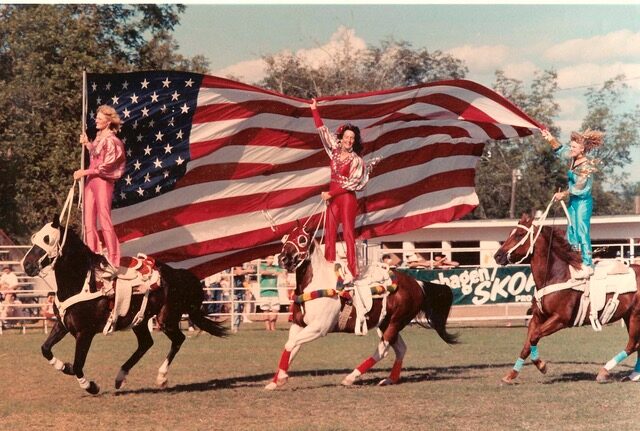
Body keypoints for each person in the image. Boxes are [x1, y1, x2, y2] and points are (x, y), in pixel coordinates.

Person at [310, 99, 379, 280]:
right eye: (346, 137)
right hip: (333, 197)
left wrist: (330, 193)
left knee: (348, 232)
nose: (349, 140)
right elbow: (322, 131)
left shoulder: (356, 160)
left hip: (346, 198)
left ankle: (353, 269)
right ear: (341, 139)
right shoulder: (333, 151)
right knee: (329, 230)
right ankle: (329, 265)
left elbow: (352, 184)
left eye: (352, 138)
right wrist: (314, 110)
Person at [542, 128, 604, 278]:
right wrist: (550, 138)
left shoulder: (586, 165)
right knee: (571, 231)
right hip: (573, 201)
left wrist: (563, 193)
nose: (571, 149)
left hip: (582, 202)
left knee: (581, 231)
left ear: (582, 149)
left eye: (574, 147)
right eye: (571, 146)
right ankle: (576, 260)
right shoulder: (573, 159)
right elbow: (561, 150)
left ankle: (587, 264)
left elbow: (581, 187)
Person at [73, 105, 126, 271]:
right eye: (97, 117)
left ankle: (113, 258)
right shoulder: (98, 137)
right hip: (91, 180)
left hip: (102, 181)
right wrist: (87, 144)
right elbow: (96, 155)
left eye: (99, 118)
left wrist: (85, 171)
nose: (96, 120)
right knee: (88, 220)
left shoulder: (113, 141)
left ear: (108, 121)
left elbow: (107, 166)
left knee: (104, 219)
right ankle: (92, 254)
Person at [259, 255, 283, 331]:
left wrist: (278, 272)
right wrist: (274, 272)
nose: (271, 260)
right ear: (266, 259)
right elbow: (262, 272)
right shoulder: (262, 266)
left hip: (274, 292)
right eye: (270, 258)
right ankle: (267, 328)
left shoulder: (276, 267)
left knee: (275, 309)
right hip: (264, 292)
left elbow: (283, 272)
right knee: (265, 310)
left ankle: (273, 327)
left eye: (272, 258)